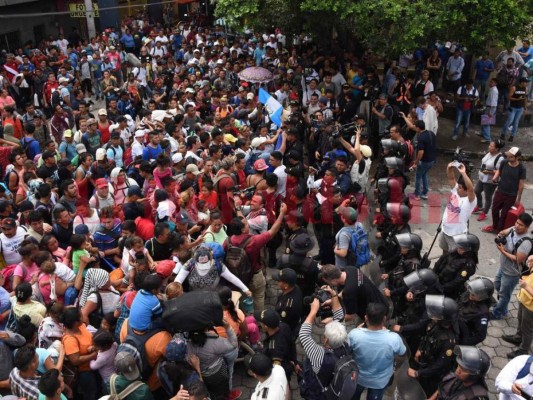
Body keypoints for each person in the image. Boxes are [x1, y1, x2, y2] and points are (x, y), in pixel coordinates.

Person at [229, 202, 288, 312]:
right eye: (247, 224)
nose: (248, 225)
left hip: (238, 277)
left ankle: (245, 319)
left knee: (242, 298)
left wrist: (237, 208)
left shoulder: (228, 241)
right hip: (255, 276)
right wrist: (281, 214)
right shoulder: (254, 241)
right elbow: (273, 231)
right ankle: (259, 321)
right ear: (242, 229)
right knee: (259, 298)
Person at [348, 302, 406, 400]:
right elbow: (402, 353)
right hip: (380, 381)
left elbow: (347, 351)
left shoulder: (354, 335)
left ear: (366, 318)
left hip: (358, 378)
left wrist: (357, 330)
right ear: (384, 319)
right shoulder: (394, 339)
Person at [319, 264, 389, 321]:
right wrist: (334, 300)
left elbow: (350, 316)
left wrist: (331, 320)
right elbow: (350, 288)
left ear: (334, 280)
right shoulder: (350, 268)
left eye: (328, 282)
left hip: (376, 315)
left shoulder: (348, 291)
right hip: (381, 301)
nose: (329, 285)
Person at [482, 147, 526, 233]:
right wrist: (495, 177)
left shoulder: (521, 168)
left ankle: (499, 231)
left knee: (504, 214)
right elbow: (499, 170)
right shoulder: (504, 162)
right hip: (500, 192)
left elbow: (521, 184)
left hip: (511, 195)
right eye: (508, 156)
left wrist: (518, 198)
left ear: (517, 158)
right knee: (494, 210)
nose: (508, 158)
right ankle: (495, 226)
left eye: (511, 157)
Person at [439, 162, 476, 254]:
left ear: (466, 190)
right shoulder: (455, 192)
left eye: (460, 187)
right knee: (444, 252)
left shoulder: (470, 200)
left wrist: (463, 173)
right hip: (445, 231)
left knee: (454, 258)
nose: (457, 188)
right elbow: (451, 177)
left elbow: (471, 188)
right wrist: (450, 166)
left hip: (456, 236)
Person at [501, 255, 533, 358]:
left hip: (531, 306)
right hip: (524, 299)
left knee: (527, 329)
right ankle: (518, 337)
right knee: (520, 320)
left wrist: (526, 286)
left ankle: (523, 350)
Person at [474, 140, 505, 222]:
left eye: (491, 146)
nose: (489, 147)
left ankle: (484, 212)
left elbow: (500, 171)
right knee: (476, 191)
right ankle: (479, 205)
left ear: (497, 149)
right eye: (489, 145)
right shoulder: (489, 153)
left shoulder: (500, 158)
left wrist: (489, 172)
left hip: (490, 181)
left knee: (488, 197)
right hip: (482, 178)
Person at [272, 268, 303, 333]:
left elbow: (282, 323)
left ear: (286, 286)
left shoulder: (288, 306)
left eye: (279, 281)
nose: (277, 282)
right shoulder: (295, 287)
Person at [411, 120, 436, 201]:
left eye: (415, 127)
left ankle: (417, 194)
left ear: (418, 128)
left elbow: (421, 152)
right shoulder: (431, 133)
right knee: (424, 175)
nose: (414, 128)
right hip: (432, 160)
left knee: (418, 176)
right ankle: (425, 193)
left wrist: (416, 162)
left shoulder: (421, 137)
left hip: (424, 161)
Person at [500, 77, 529, 142]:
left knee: (516, 122)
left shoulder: (525, 89)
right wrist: (517, 99)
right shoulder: (514, 88)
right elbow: (509, 97)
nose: (526, 84)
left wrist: (525, 107)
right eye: (526, 82)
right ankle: (503, 133)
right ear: (522, 82)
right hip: (513, 107)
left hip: (520, 108)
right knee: (510, 121)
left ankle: (512, 136)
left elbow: (525, 98)